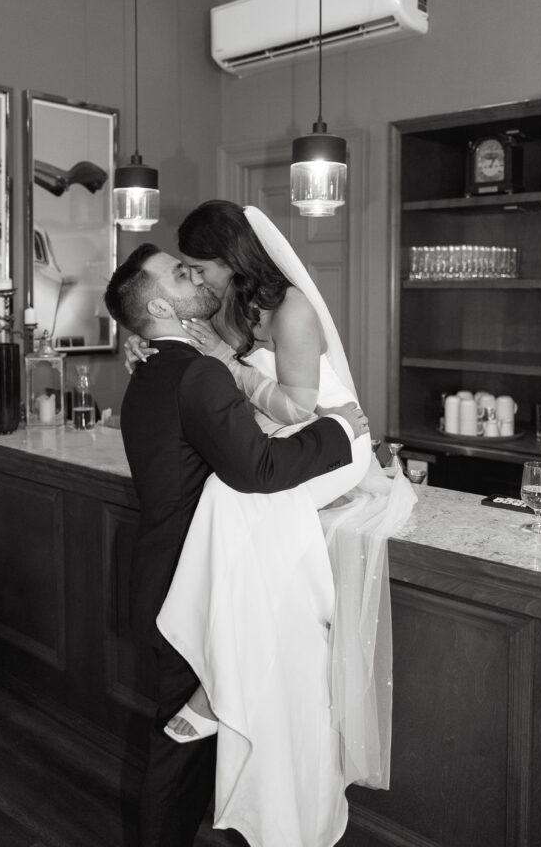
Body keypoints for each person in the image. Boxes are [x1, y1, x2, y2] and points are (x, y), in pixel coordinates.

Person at [124, 201, 416, 847]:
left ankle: (220, 683)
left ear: (231, 262)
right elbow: (222, 407)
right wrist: (152, 339)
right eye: (186, 276)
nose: (197, 282)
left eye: (198, 270)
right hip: (289, 454)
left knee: (238, 497)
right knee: (241, 498)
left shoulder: (292, 312)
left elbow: (293, 409)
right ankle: (227, 677)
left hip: (332, 445)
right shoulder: (231, 311)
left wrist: (226, 371)